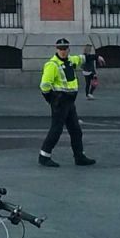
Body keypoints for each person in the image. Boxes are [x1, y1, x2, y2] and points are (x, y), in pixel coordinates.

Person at [38, 38, 96, 167]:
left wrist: (97, 57)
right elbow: (44, 85)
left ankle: (79, 157)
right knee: (56, 130)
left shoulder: (70, 60)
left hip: (70, 102)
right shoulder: (52, 65)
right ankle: (44, 156)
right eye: (60, 49)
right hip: (60, 101)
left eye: (65, 49)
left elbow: (82, 58)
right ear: (56, 49)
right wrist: (51, 100)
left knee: (76, 130)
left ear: (68, 49)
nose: (63, 51)